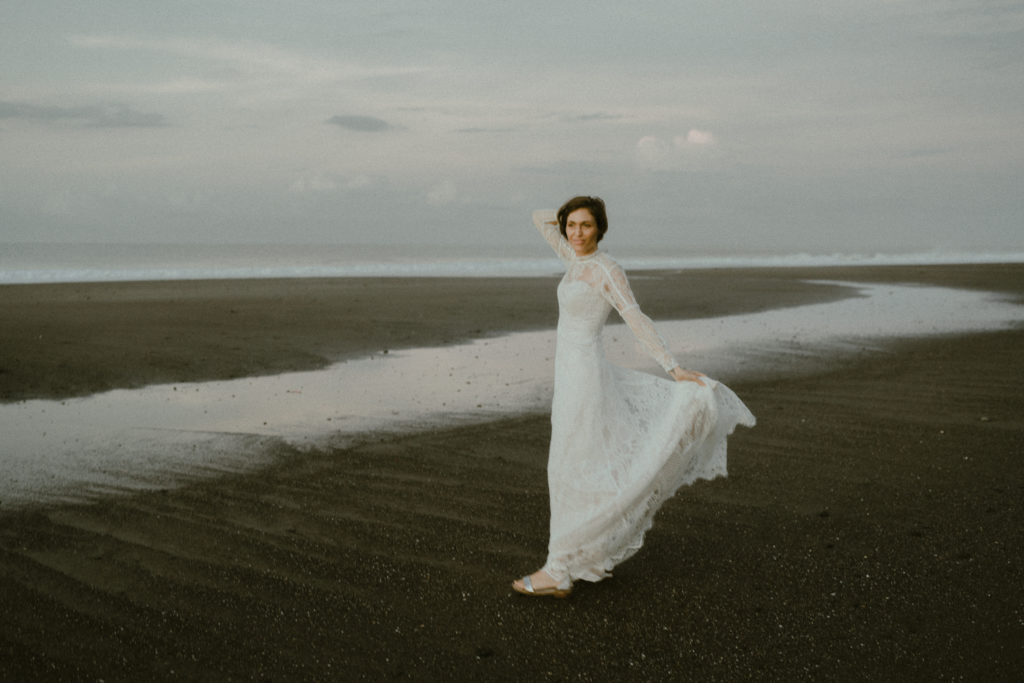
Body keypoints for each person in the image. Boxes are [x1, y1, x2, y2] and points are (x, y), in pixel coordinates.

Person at [512, 196, 755, 598]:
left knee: (570, 466)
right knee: (574, 463)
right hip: (568, 375)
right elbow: (539, 217)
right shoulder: (573, 258)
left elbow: (635, 318)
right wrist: (574, 209)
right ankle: (587, 557)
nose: (576, 232)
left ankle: (558, 569)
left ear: (601, 229)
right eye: (571, 225)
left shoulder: (606, 270)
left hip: (586, 375)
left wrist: (672, 366)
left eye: (586, 225)